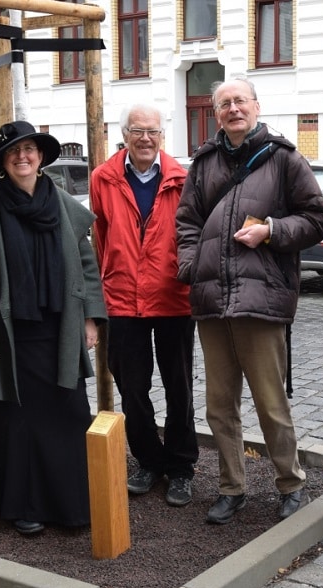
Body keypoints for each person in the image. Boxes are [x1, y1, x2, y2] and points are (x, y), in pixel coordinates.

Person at [175, 76, 323, 525]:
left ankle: (290, 483)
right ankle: (231, 487)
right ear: (216, 113)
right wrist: (189, 265)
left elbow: (315, 217)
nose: (233, 109)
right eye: (224, 104)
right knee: (219, 406)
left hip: (261, 300)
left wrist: (273, 232)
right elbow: (186, 221)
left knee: (270, 402)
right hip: (210, 300)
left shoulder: (283, 159)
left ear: (256, 107)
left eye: (240, 101)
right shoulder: (203, 164)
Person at [0, 120, 106, 536]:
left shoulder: (62, 205)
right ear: (2, 162)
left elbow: (87, 267)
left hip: (59, 331)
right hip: (8, 336)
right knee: (14, 421)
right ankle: (23, 506)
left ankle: (70, 503)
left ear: (40, 157)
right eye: (14, 152)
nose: (23, 156)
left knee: (67, 413)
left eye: (30, 150)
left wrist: (91, 316)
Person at [89, 104, 197, 508]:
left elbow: (191, 234)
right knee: (132, 389)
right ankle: (149, 461)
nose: (146, 138)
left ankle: (182, 467)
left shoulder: (183, 178)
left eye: (152, 131)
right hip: (122, 301)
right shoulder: (104, 177)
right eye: (137, 131)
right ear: (125, 135)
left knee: (179, 387)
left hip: (173, 298)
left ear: (162, 135)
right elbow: (99, 235)